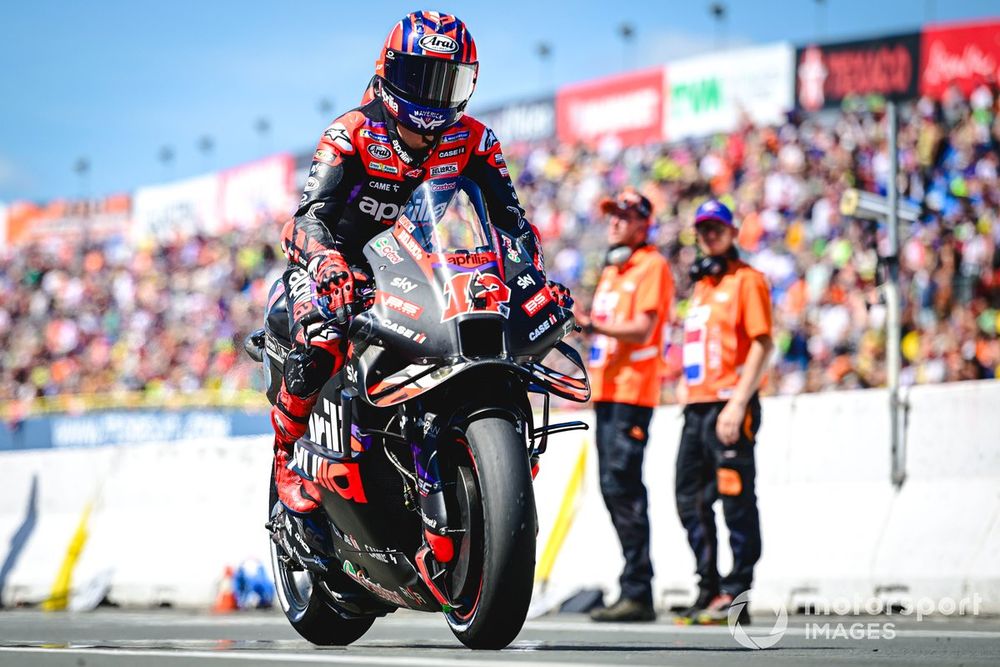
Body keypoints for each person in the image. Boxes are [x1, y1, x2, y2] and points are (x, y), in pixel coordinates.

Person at [271, 11, 571, 523]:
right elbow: (303, 224)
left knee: (505, 327)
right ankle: (287, 457)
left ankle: (497, 446)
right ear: (388, 72)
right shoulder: (349, 135)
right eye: (418, 77)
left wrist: (531, 276)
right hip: (339, 270)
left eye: (447, 80)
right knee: (322, 335)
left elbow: (512, 222)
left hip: (422, 271)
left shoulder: (476, 139)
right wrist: (325, 265)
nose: (432, 96)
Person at [576, 189, 675, 622]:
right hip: (609, 393)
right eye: (611, 214)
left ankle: (639, 590)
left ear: (642, 223)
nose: (614, 221)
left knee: (624, 487)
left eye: (623, 215)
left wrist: (593, 324)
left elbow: (643, 328)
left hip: (634, 393)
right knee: (613, 488)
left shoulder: (651, 266)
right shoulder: (615, 269)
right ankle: (633, 584)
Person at [673, 199, 773, 625]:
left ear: (732, 233)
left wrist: (737, 403)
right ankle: (708, 587)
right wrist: (684, 382)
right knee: (688, 500)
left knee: (736, 502)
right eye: (703, 229)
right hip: (696, 408)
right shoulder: (702, 286)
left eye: (717, 228)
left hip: (731, 404)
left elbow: (763, 344)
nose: (709, 235)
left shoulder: (748, 280)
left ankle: (738, 593)